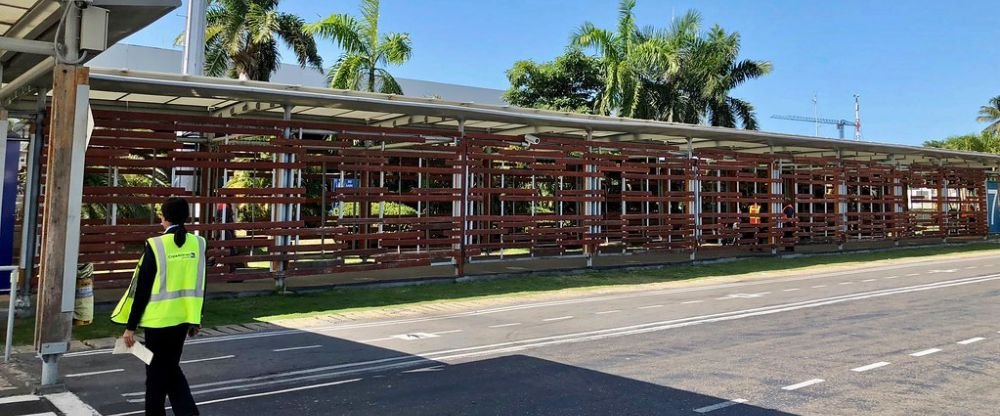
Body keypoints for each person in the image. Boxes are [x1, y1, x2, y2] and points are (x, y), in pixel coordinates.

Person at [111, 197, 206, 416]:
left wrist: (130, 327)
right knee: (168, 370)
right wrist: (196, 318)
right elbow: (200, 282)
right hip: (183, 320)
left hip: (157, 322)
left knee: (157, 375)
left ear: (163, 217)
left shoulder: (155, 244)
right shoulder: (198, 243)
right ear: (186, 217)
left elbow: (141, 290)